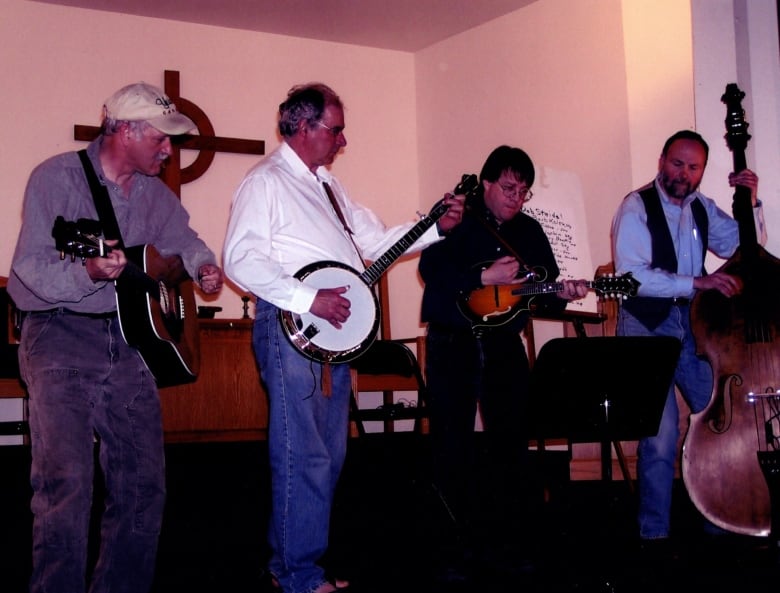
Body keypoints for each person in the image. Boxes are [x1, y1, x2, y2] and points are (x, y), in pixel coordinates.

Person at [222, 82, 464, 593]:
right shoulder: (264, 182)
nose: (342, 141)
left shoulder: (329, 186)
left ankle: (288, 565)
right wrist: (311, 300)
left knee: (326, 456)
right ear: (303, 127)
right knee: (302, 454)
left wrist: (434, 227)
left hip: (332, 340)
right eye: (336, 130)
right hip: (292, 329)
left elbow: (376, 242)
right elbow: (240, 261)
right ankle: (299, 576)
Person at [8, 82, 224, 593]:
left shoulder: (155, 194)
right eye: (162, 138)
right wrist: (87, 273)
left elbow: (184, 241)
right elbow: (29, 265)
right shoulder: (55, 178)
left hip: (131, 343)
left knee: (143, 485)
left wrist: (203, 266)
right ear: (125, 130)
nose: (169, 149)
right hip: (58, 335)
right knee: (67, 486)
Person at [418, 145, 588, 583]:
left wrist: (562, 292)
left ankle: (507, 544)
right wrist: (482, 277)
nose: (516, 197)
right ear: (487, 183)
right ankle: (449, 550)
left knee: (511, 443)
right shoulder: (455, 216)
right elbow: (431, 272)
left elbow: (543, 287)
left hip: (502, 345)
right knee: (451, 444)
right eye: (509, 187)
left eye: (524, 191)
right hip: (452, 342)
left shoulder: (529, 231)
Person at [611, 130, 763, 550]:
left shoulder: (701, 207)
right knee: (660, 435)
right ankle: (654, 532)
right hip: (647, 324)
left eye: (693, 167)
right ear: (662, 160)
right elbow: (632, 276)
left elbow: (744, 246)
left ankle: (722, 520)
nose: (684, 173)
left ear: (702, 172)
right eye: (677, 163)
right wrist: (697, 281)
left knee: (717, 425)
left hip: (693, 324)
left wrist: (751, 204)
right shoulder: (635, 206)